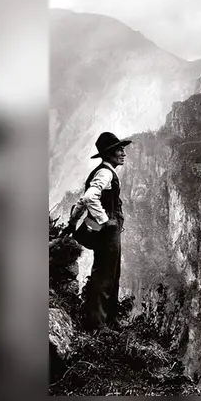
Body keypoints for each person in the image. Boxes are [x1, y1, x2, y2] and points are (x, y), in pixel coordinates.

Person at [77, 132, 131, 330]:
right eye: (119, 150)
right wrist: (105, 220)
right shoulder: (105, 173)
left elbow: (82, 200)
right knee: (105, 274)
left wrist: (73, 220)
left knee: (111, 272)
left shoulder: (103, 172)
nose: (123, 153)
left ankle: (109, 319)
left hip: (109, 230)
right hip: (108, 231)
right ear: (109, 154)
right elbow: (90, 197)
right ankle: (98, 323)